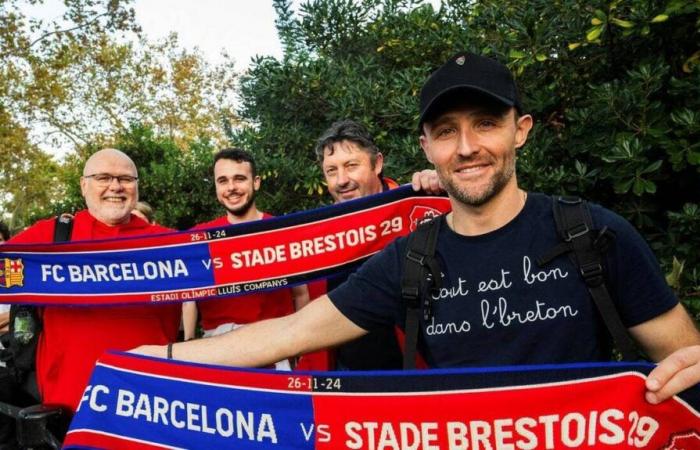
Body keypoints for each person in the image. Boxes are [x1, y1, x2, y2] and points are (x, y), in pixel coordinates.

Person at [133, 52, 700, 405]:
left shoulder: (593, 234)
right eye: (447, 131)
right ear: (426, 146)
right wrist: (152, 359)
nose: (468, 147)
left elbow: (686, 361)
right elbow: (288, 334)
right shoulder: (410, 258)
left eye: (485, 124)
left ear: (520, 130)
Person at [7, 148, 181, 413]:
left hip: (149, 403)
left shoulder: (169, 243)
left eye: (125, 179)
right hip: (69, 404)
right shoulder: (50, 236)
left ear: (136, 186)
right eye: (103, 177)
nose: (115, 186)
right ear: (83, 185)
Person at [309, 119, 427, 370]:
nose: (341, 180)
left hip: (416, 371)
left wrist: (441, 187)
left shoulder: (415, 207)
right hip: (345, 377)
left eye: (351, 166)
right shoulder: (318, 233)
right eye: (331, 171)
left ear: (378, 164)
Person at [181, 148, 309, 370]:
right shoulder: (199, 237)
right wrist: (189, 342)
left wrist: (302, 345)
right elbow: (190, 295)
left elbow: (301, 294)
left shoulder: (283, 232)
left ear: (255, 182)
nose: (231, 188)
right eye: (223, 181)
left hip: (274, 345)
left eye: (239, 178)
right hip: (217, 347)